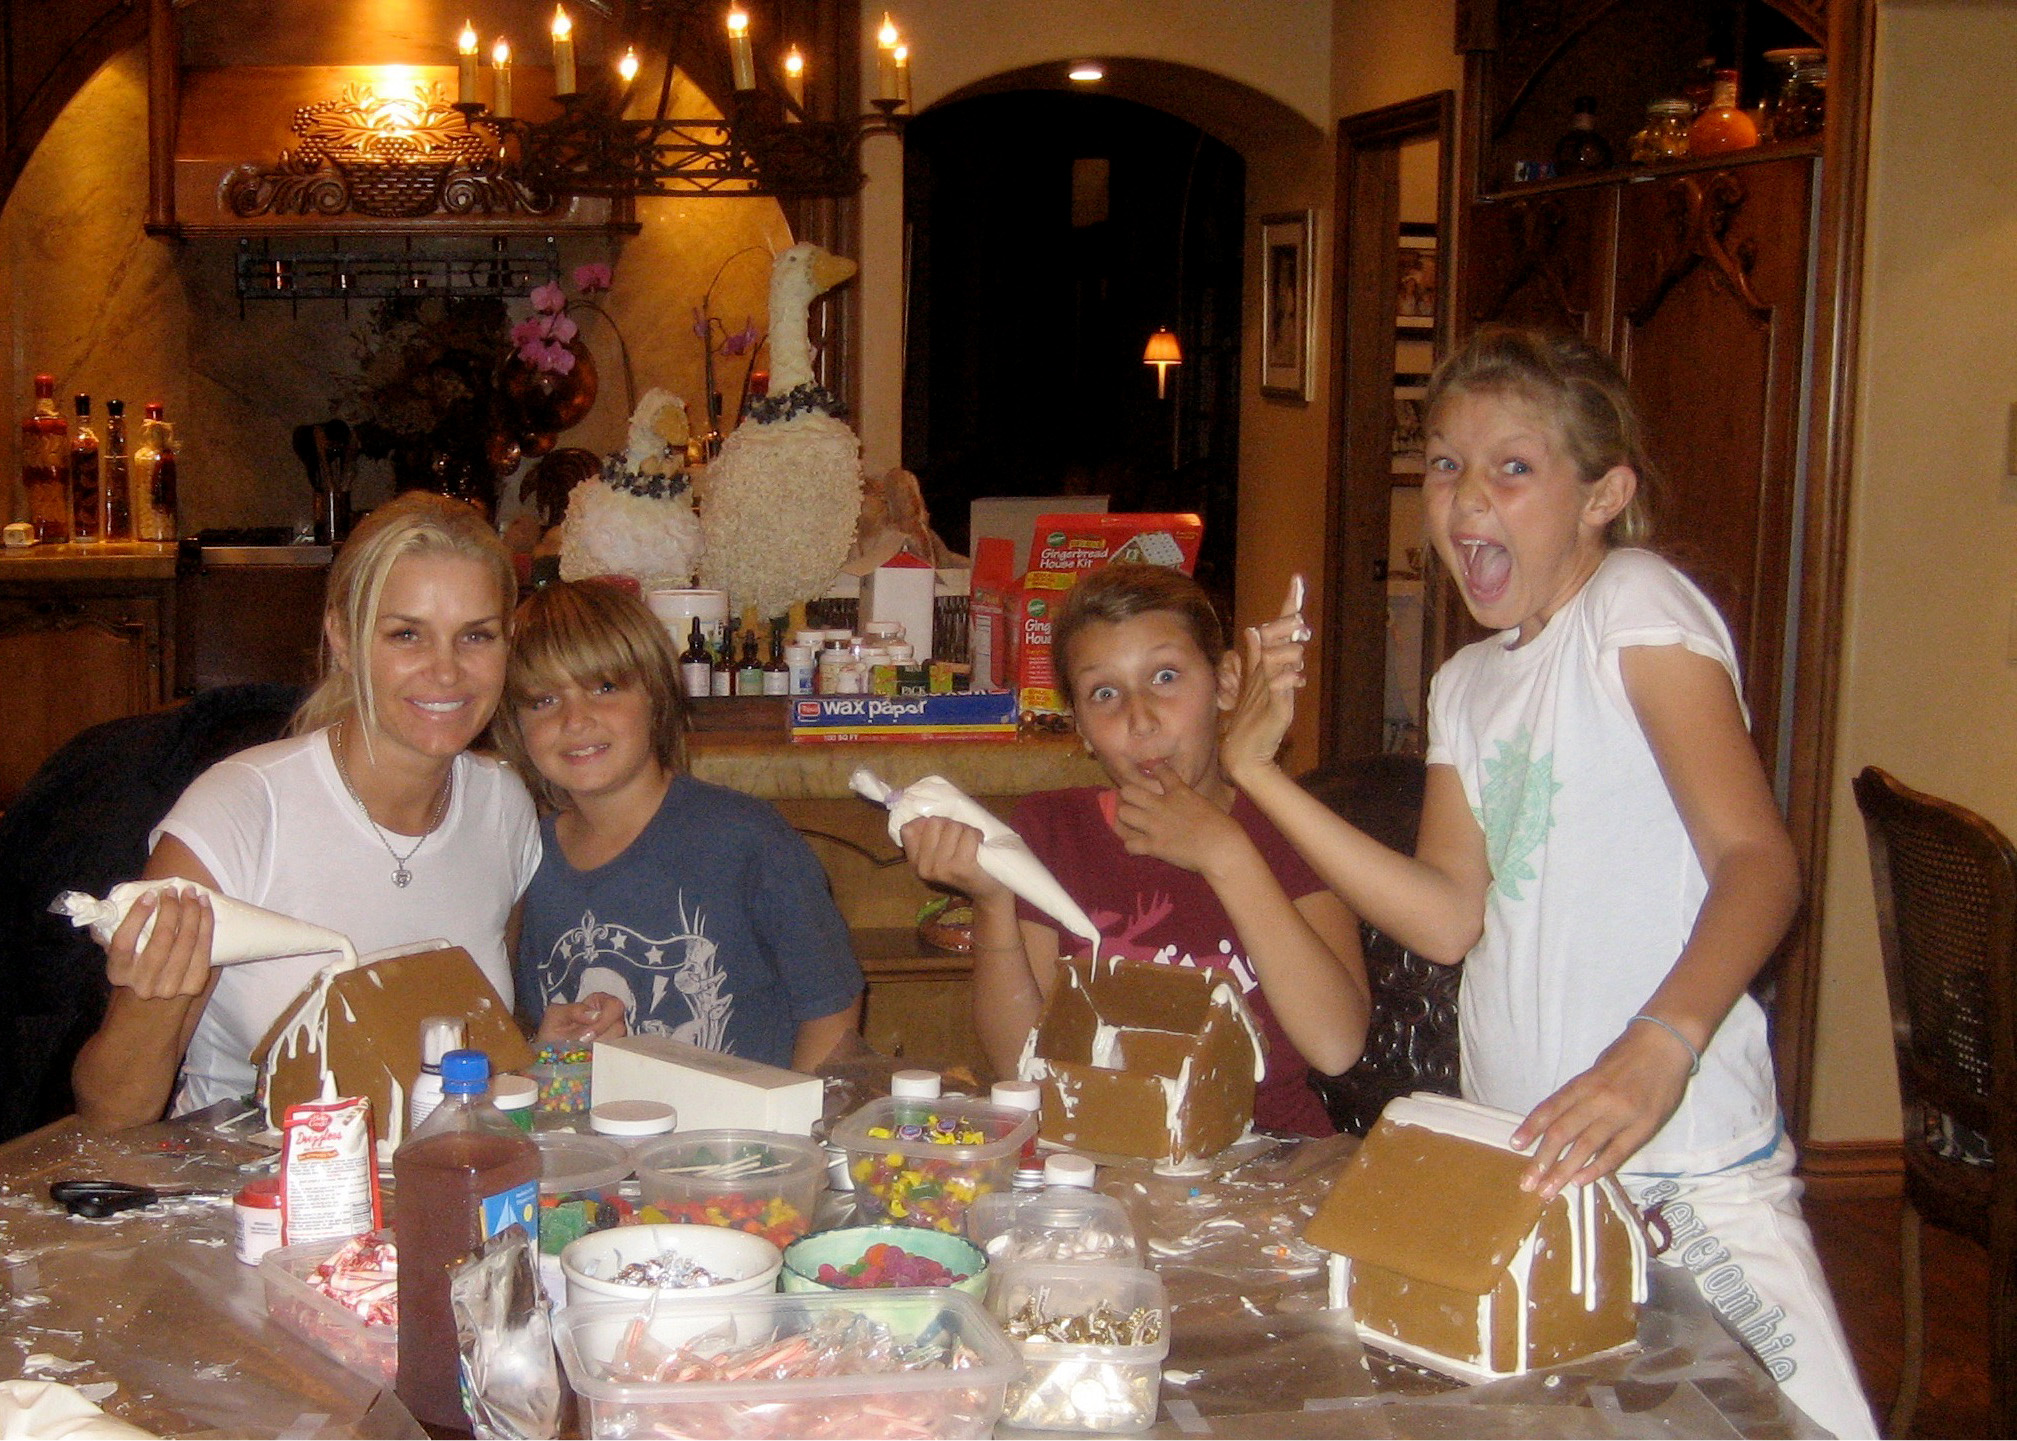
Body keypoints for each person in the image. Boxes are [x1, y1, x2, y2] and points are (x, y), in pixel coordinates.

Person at [1225, 325, 1874, 1438]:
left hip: (1681, 1174)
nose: (1466, 497)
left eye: (1512, 467)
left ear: (1603, 492)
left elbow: (1758, 862)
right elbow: (1444, 915)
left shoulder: (1633, 603)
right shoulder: (1466, 684)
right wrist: (1252, 772)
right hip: (1527, 1169)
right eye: (1443, 464)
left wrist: (1658, 1048)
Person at [72, 492, 541, 1131]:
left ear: (508, 643)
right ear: (342, 640)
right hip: (243, 1201)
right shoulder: (240, 811)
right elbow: (110, 1115)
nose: (446, 671)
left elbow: (475, 1053)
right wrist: (155, 997)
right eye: (406, 634)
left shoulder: (503, 808)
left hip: (428, 1190)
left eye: (476, 636)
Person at [898, 563, 1368, 1136]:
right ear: (1080, 727)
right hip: (1104, 1159)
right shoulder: (1053, 830)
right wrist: (994, 901)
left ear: (1225, 683)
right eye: (1105, 694)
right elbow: (1023, 1067)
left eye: (1165, 677)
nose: (1140, 720)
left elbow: (1337, 1044)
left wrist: (1227, 853)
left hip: (1270, 1163)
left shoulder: (1291, 826)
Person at [494, 581, 863, 1070]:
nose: (575, 720)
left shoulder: (746, 839)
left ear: (656, 694)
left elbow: (832, 1015)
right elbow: (527, 1029)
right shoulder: (525, 858)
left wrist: (788, 1135)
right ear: (515, 725)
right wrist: (553, 1047)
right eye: (543, 700)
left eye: (604, 688)